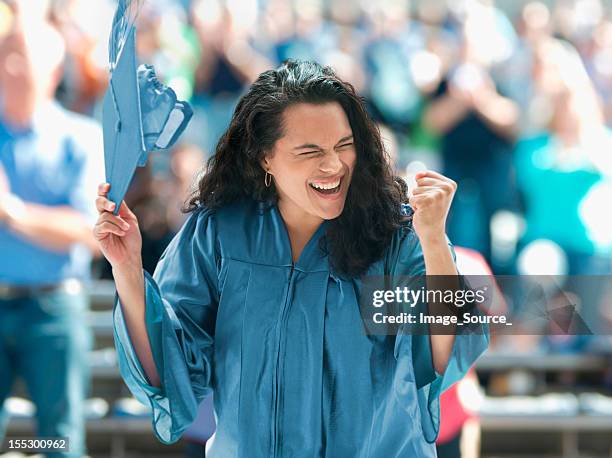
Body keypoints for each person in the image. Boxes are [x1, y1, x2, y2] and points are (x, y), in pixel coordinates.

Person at [95, 60, 489, 457]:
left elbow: (439, 357)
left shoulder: (391, 238)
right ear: (265, 156)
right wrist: (127, 267)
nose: (333, 165)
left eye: (343, 145)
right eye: (309, 151)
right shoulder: (221, 235)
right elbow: (169, 364)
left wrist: (435, 242)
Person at [0, 7, 102, 457]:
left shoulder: (80, 137)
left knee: (54, 438)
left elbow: (91, 230)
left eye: (21, 55)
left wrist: (13, 214)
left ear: (54, 68)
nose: (10, 67)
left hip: (53, 309)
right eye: (5, 54)